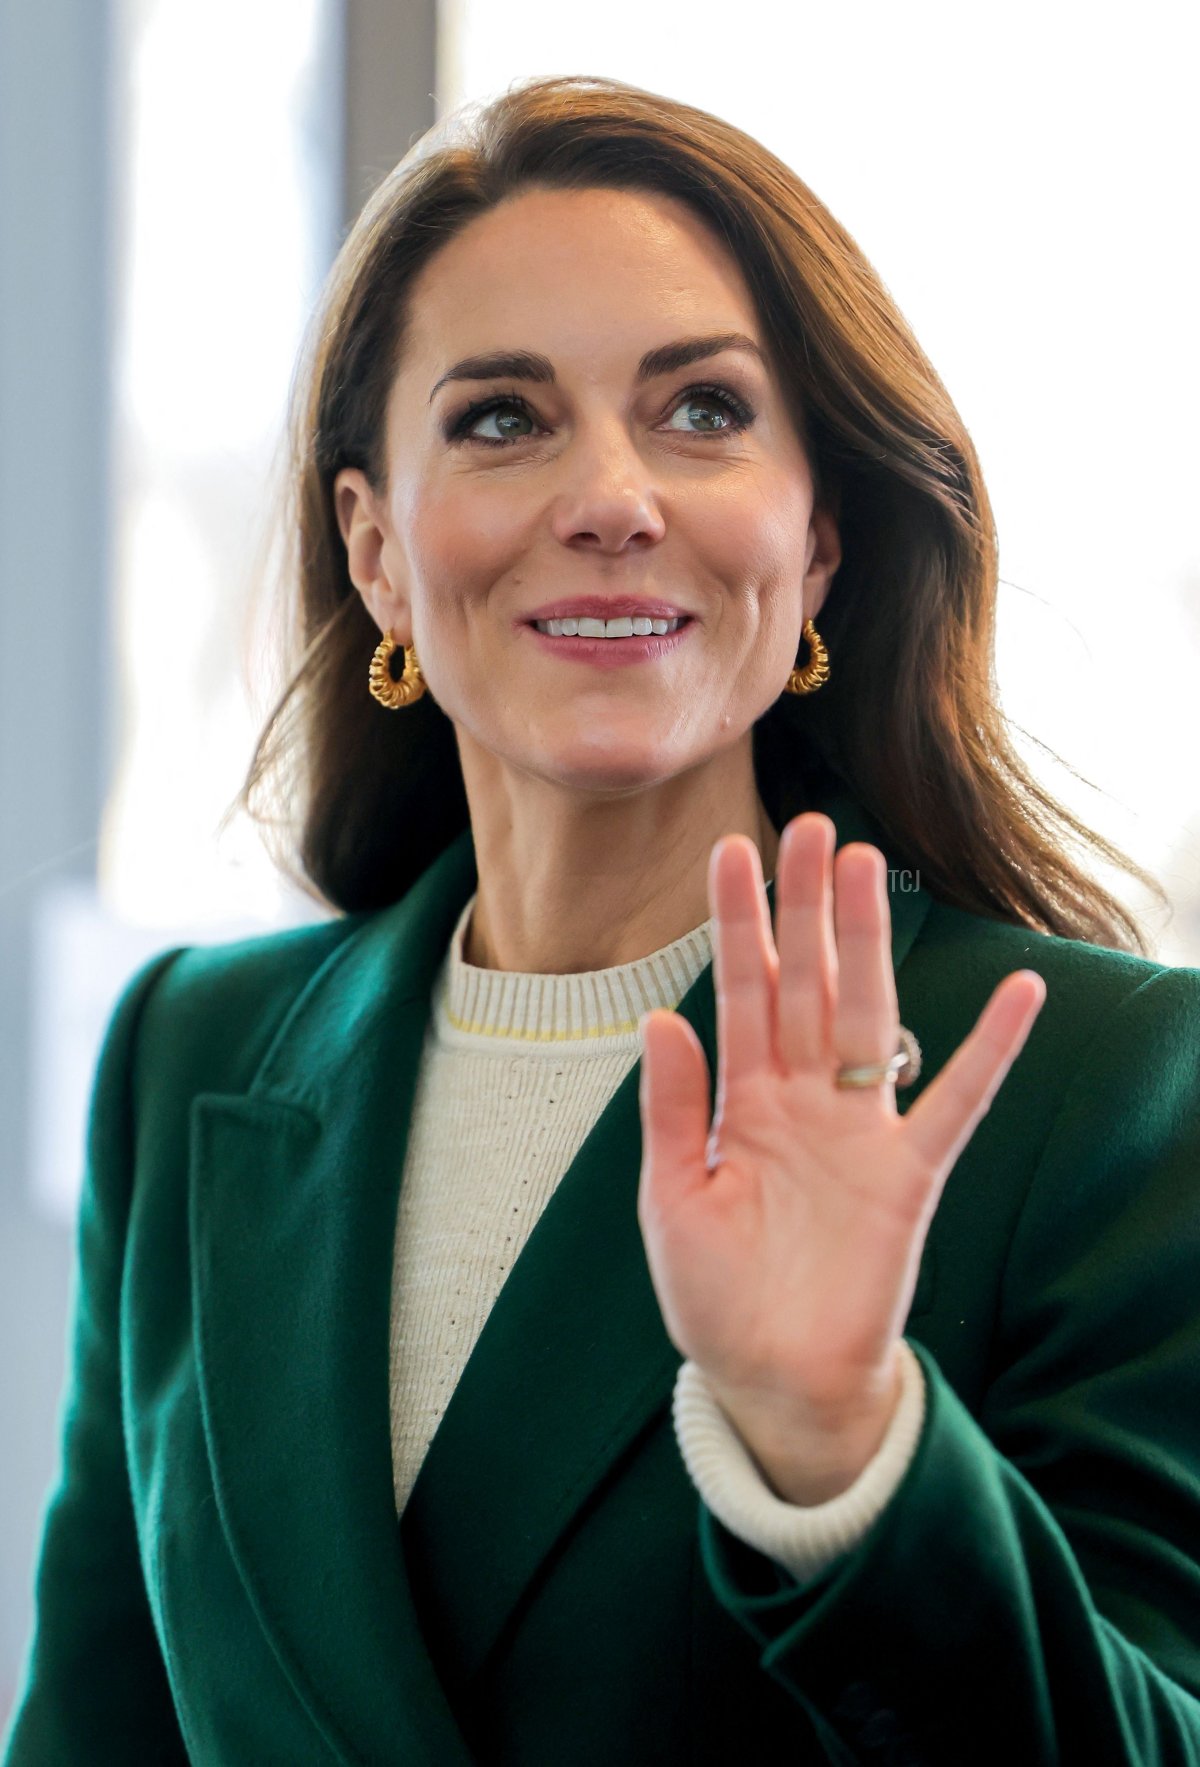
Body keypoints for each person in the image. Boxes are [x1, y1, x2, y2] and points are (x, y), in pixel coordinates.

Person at [4, 71, 1199, 1767]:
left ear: (820, 539)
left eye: (702, 410)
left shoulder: (1100, 1087)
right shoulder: (189, 1054)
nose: (614, 498)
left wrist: (844, 1453)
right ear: (374, 550)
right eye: (502, 420)